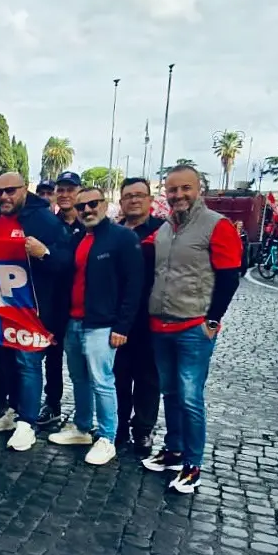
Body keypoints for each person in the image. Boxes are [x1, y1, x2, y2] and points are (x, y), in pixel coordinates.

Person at [143, 165, 241, 494]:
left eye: (185, 188)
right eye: (172, 190)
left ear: (199, 188)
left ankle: (192, 463)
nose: (179, 195)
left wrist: (212, 320)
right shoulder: (165, 228)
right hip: (161, 324)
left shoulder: (216, 225)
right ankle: (173, 449)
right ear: (166, 194)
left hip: (192, 327)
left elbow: (229, 276)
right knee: (169, 392)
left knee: (189, 397)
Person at [48, 188, 143, 466]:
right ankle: (81, 427)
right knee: (79, 379)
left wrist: (123, 326)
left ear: (105, 205)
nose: (87, 210)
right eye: (81, 207)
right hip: (74, 322)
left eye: (92, 204)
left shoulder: (123, 238)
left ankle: (107, 437)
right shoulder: (78, 238)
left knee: (103, 382)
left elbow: (134, 285)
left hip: (102, 325)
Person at [0, 172, 72, 451]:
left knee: (28, 365)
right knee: (6, 362)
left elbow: (67, 263)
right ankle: (13, 411)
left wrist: (44, 253)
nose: (4, 197)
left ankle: (27, 424)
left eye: (10, 191)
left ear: (24, 190)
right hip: (2, 309)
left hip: (33, 312)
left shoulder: (44, 220)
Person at [114, 177, 165, 456]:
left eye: (139, 195)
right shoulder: (113, 232)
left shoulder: (163, 231)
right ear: (121, 202)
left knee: (148, 377)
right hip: (118, 316)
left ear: (149, 199)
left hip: (149, 315)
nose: (134, 200)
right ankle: (119, 426)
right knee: (118, 375)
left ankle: (143, 430)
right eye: (128, 196)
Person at [36, 170, 85, 427]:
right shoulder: (50, 225)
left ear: (79, 192)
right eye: (61, 190)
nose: (65, 195)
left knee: (83, 367)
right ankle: (52, 404)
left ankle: (83, 417)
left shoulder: (89, 226)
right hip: (53, 304)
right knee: (52, 359)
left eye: (70, 190)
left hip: (81, 306)